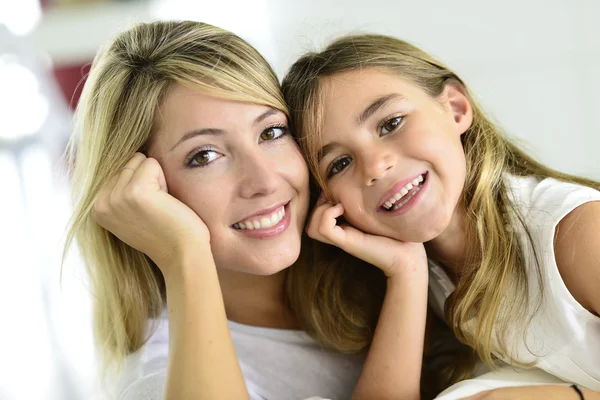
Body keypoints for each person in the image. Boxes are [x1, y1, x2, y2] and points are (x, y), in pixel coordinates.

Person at [62, 20, 424, 400]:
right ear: (142, 192)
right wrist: (183, 253)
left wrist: (408, 273)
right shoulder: (161, 377)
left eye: (270, 132)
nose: (265, 181)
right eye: (204, 156)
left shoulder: (372, 251)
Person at [282, 33, 600, 399]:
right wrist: (407, 271)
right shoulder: (426, 272)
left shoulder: (576, 230)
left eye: (390, 124)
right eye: (340, 163)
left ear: (455, 108)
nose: (375, 166)